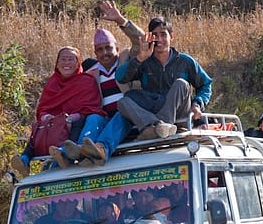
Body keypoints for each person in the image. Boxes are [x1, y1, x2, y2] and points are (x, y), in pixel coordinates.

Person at [78, 16, 213, 166]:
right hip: (153, 110)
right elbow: (121, 77)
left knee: (181, 84)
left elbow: (206, 84)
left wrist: (198, 103)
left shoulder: (185, 61)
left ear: (171, 37)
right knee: (123, 102)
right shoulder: (145, 60)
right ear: (150, 38)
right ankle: (154, 126)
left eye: (163, 34)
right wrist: (140, 58)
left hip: (178, 113)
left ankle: (163, 125)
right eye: (155, 36)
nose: (159, 40)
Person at [54, 1, 145, 166]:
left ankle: (102, 150)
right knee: (94, 117)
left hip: (129, 116)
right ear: (95, 53)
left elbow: (143, 41)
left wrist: (121, 20)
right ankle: (81, 152)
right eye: (100, 49)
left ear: (116, 48)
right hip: (105, 119)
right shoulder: (91, 73)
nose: (105, 53)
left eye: (109, 48)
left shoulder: (127, 59)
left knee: (122, 113)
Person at [11, 46, 105, 178]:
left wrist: (71, 118)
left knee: (79, 123)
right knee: (39, 130)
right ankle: (24, 160)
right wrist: (46, 117)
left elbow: (91, 106)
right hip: (54, 124)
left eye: (71, 59)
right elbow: (43, 108)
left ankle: (64, 152)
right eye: (63, 59)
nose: (66, 63)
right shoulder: (52, 82)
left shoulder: (86, 81)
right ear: (57, 63)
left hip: (75, 122)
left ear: (78, 63)